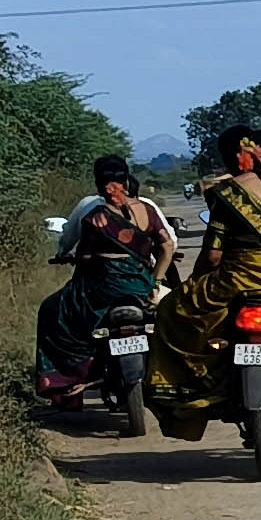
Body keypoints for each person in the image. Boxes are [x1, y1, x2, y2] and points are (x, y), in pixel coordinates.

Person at [146, 130, 261, 441]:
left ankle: (191, 396)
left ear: (229, 158)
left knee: (172, 310)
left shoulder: (227, 193)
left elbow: (212, 256)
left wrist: (194, 281)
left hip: (237, 280)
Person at [34, 155, 174, 402]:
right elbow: (168, 246)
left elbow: (85, 257)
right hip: (141, 285)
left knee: (51, 309)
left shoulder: (96, 216)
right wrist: (157, 282)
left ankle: (67, 376)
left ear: (100, 186)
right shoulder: (148, 210)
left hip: (103, 287)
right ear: (127, 181)